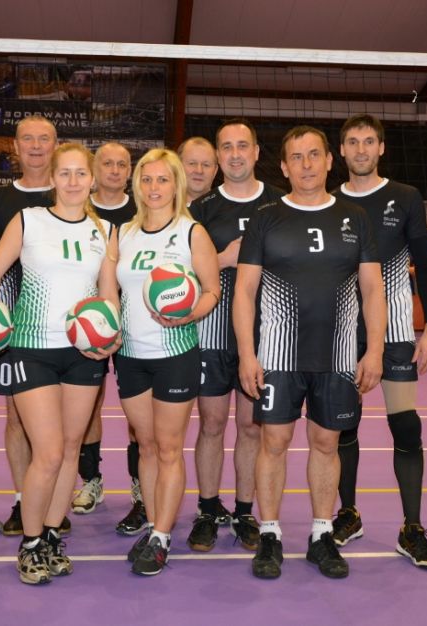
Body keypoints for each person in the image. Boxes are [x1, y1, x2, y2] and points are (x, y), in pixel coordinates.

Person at [0, 142, 119, 585]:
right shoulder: (28, 220)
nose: (73, 181)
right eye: (65, 173)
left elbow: (108, 294)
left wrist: (110, 337)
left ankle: (52, 536)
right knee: (50, 452)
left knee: (71, 450)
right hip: (32, 347)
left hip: (82, 353)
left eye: (81, 173)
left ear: (92, 180)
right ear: (53, 178)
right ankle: (32, 542)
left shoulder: (106, 231)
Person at [234, 125, 386, 580]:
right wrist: (247, 354)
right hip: (278, 356)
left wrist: (374, 350)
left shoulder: (355, 217)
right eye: (296, 157)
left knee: (326, 443)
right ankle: (270, 534)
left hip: (337, 357)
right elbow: (244, 291)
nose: (306, 164)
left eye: (314, 155)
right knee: (273, 443)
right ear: (283, 167)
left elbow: (373, 289)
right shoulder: (265, 218)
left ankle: (322, 535)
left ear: (328, 160)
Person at [332, 114, 427, 569]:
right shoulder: (328, 200)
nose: (360, 149)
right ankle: (348, 514)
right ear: (341, 150)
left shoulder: (406, 197)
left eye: (368, 141)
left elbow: (425, 263)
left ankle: (411, 528)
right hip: (343, 330)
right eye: (352, 142)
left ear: (381, 148)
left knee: (406, 426)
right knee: (343, 426)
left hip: (396, 328)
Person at [114, 148, 220, 576]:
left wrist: (190, 314)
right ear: (137, 185)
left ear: (176, 185)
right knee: (146, 445)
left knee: (170, 447)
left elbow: (212, 290)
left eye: (162, 179)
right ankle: (154, 524)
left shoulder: (191, 232)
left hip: (175, 353)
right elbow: (111, 290)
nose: (154, 187)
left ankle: (161, 535)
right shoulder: (124, 233)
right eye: (147, 179)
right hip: (130, 355)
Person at [187, 119, 283, 553]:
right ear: (218, 156)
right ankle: (208, 510)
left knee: (250, 428)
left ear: (257, 152)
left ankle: (245, 513)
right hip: (211, 334)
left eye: (243, 146)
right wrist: (223, 259)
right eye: (226, 147)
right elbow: (181, 272)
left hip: (265, 337)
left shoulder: (280, 204)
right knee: (211, 424)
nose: (235, 154)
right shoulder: (202, 209)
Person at [0, 115, 61, 537]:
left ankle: (56, 506)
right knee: (17, 418)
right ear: (16, 145)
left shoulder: (70, 191)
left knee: (70, 424)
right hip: (17, 331)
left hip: (67, 328)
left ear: (56, 145)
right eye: (29, 139)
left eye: (44, 139)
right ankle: (25, 501)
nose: (37, 146)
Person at [71, 142, 140, 527]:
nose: (114, 170)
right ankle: (91, 480)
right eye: (107, 164)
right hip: (88, 325)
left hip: (135, 323)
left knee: (137, 410)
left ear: (129, 171)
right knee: (89, 403)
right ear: (95, 170)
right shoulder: (80, 208)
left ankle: (139, 486)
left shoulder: (140, 210)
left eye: (121, 164)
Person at [179, 137, 219, 204]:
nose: (199, 171)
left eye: (206, 165)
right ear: (178, 167)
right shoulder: (164, 207)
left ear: (215, 171)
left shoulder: (228, 209)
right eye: (192, 163)